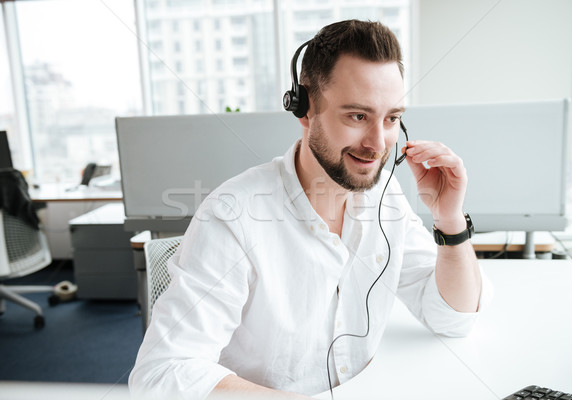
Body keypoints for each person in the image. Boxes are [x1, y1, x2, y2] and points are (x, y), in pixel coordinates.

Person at [129, 19, 491, 400]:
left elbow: (453, 318)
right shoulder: (233, 216)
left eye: (391, 118)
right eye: (357, 116)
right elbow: (161, 375)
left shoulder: (386, 196)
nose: (378, 143)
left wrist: (449, 221)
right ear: (304, 108)